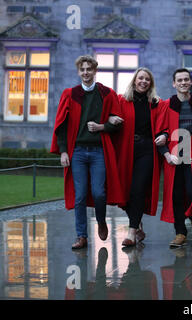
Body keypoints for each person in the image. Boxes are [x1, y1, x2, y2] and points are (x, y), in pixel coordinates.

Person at [50, 55, 124, 249]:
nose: (85, 73)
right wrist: (64, 152)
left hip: (99, 151)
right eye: (82, 70)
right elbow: (61, 126)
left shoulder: (107, 94)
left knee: (99, 193)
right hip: (78, 153)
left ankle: (100, 220)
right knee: (80, 195)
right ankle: (81, 236)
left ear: (95, 71)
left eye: (89, 69)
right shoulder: (70, 94)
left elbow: (117, 124)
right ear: (78, 72)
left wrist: (103, 126)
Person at [110, 67, 168, 247]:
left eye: (147, 79)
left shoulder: (156, 103)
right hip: (126, 148)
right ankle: (138, 224)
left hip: (147, 150)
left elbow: (164, 125)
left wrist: (165, 135)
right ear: (134, 80)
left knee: (138, 189)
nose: (143, 81)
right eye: (140, 78)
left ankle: (132, 231)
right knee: (125, 191)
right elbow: (110, 116)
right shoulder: (122, 100)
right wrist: (112, 118)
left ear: (151, 83)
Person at [159, 68, 192, 248]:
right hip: (174, 154)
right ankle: (180, 232)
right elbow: (160, 133)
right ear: (174, 83)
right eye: (179, 80)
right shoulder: (167, 105)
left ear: (190, 82)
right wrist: (167, 155)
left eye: (186, 79)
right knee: (176, 195)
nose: (183, 83)